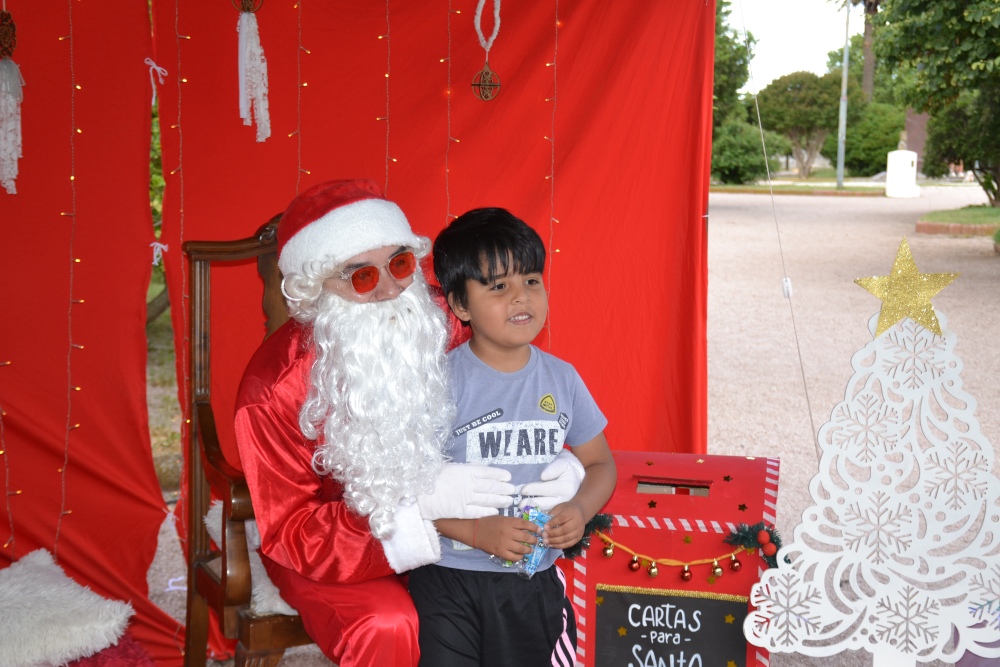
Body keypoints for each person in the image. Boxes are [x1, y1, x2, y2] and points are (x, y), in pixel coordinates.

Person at [234, 179, 586, 666]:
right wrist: (417, 507)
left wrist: (561, 460)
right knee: (391, 626)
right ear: (316, 290)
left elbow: (519, 383)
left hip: (464, 541)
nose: (389, 288)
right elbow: (293, 532)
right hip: (337, 550)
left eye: (400, 264)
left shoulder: (444, 313)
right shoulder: (271, 391)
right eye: (361, 277)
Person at [408, 207, 617, 666]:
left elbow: (602, 464)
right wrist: (475, 531)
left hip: (532, 584)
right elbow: (407, 490)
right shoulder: (436, 383)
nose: (521, 297)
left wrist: (580, 510)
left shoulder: (562, 379)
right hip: (448, 579)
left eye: (532, 280)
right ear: (461, 305)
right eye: (498, 286)